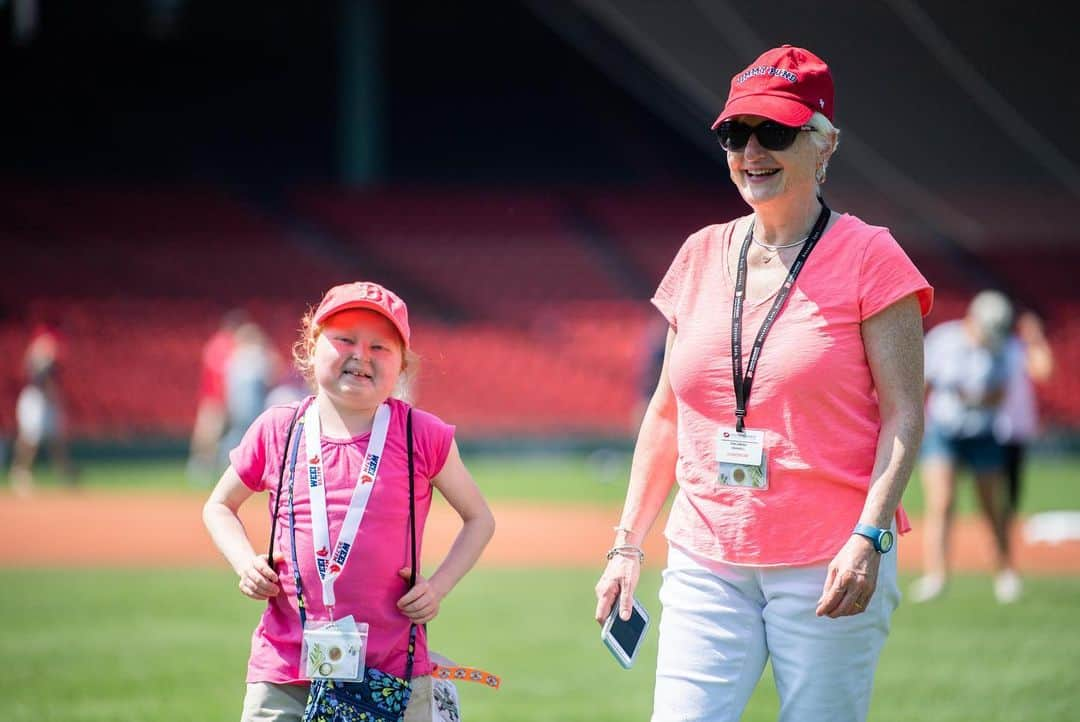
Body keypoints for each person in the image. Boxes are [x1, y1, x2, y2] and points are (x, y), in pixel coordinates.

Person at [593, 45, 932, 722]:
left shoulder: (872, 257)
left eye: (775, 133)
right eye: (735, 134)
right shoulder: (699, 254)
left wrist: (869, 538)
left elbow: (905, 417)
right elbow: (666, 416)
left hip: (830, 560)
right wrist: (627, 542)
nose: (752, 151)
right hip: (706, 554)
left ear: (824, 143)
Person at [203, 281, 495, 722]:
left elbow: (479, 519)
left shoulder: (423, 434)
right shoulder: (278, 429)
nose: (361, 355)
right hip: (285, 668)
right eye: (344, 339)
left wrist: (438, 587)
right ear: (310, 346)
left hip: (393, 671)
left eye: (380, 346)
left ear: (403, 365)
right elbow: (219, 506)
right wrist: (246, 562)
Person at [911, 290, 1022, 604]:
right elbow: (923, 385)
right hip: (943, 432)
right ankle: (936, 575)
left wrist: (970, 398)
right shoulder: (944, 341)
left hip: (983, 433)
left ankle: (1005, 572)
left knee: (991, 506)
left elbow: (999, 395)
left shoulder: (1003, 349)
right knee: (942, 503)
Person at [994, 310, 1054, 521]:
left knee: (1012, 484)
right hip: (992, 426)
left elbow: (1044, 370)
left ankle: (1006, 529)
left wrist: (1036, 339)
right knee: (990, 481)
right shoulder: (1000, 348)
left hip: (1016, 427)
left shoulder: (1021, 350)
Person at [9, 324, 76, 494]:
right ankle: (20, 473)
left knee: (56, 440)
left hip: (48, 402)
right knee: (30, 439)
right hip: (36, 401)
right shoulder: (39, 360)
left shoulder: (50, 362)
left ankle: (65, 474)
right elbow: (38, 376)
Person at [187, 308, 248, 483]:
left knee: (215, 435)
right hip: (217, 399)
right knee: (209, 435)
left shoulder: (217, 343)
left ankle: (206, 468)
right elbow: (223, 375)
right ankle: (200, 468)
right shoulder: (225, 345)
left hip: (217, 398)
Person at [220, 320, 280, 459]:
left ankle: (227, 460)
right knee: (248, 435)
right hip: (252, 405)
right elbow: (272, 374)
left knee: (239, 434)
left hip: (239, 405)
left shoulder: (234, 357)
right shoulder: (256, 356)